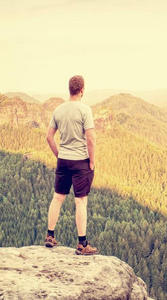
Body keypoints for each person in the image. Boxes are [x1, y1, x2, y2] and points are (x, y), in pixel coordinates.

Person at [44, 75, 99, 255]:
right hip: (80, 161)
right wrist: (91, 160)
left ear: (70, 89)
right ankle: (82, 244)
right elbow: (90, 138)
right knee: (80, 201)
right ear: (82, 90)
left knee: (58, 198)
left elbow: (49, 137)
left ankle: (50, 236)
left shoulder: (58, 110)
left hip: (63, 161)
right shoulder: (85, 110)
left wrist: (59, 155)